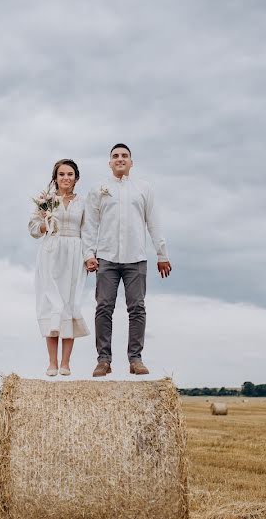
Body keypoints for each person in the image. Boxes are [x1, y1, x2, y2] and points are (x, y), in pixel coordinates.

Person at [82, 143, 171, 377]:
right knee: (103, 307)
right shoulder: (99, 189)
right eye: (115, 156)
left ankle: (135, 359)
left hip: (136, 258)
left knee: (137, 308)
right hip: (106, 258)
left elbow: (154, 222)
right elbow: (90, 224)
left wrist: (162, 254)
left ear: (132, 162)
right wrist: (89, 254)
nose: (120, 159)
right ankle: (103, 360)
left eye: (124, 156)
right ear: (109, 162)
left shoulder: (144, 189)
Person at [28, 158, 90, 376]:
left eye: (70, 174)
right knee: (51, 304)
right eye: (62, 174)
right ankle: (52, 362)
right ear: (55, 178)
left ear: (76, 178)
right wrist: (45, 221)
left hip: (74, 253)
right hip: (51, 253)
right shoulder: (45, 201)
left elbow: (88, 230)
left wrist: (89, 256)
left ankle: (66, 362)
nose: (66, 178)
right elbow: (33, 229)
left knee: (70, 303)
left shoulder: (83, 203)